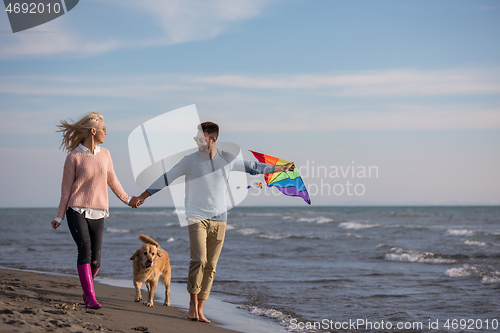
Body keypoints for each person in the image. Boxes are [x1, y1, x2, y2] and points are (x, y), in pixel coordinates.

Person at [130, 122, 295, 323]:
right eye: (196, 138)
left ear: (212, 139)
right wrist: (143, 196)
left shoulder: (227, 158)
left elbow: (254, 167)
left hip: (220, 219)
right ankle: (192, 305)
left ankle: (200, 307)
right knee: (199, 260)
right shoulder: (189, 160)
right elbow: (167, 178)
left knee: (211, 265)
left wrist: (282, 167)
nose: (196, 141)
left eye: (200, 138)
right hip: (196, 217)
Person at [51, 112, 136, 309]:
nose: (106, 132)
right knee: (85, 251)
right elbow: (66, 190)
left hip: (99, 212)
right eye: (104, 129)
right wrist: (59, 215)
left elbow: (113, 180)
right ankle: (90, 297)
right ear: (93, 131)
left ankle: (86, 286)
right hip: (76, 210)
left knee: (96, 261)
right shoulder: (74, 157)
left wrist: (128, 199)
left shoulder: (105, 155)